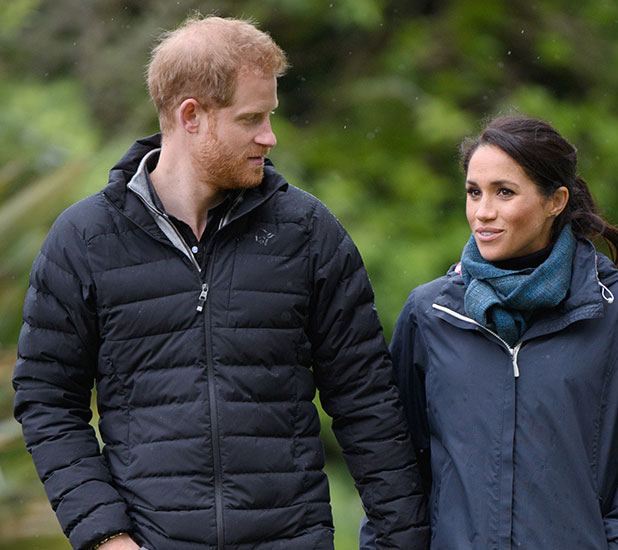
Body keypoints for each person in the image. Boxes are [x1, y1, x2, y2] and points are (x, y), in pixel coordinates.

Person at [12, 15, 429, 550]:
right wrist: (105, 536)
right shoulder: (84, 240)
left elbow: (368, 402)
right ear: (191, 116)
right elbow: (47, 398)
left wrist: (401, 542)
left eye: (270, 116)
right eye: (251, 118)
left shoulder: (307, 232)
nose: (270, 137)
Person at [360, 115, 618, 549]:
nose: (483, 212)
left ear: (555, 201)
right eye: (473, 192)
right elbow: (395, 468)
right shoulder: (431, 313)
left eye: (504, 192)